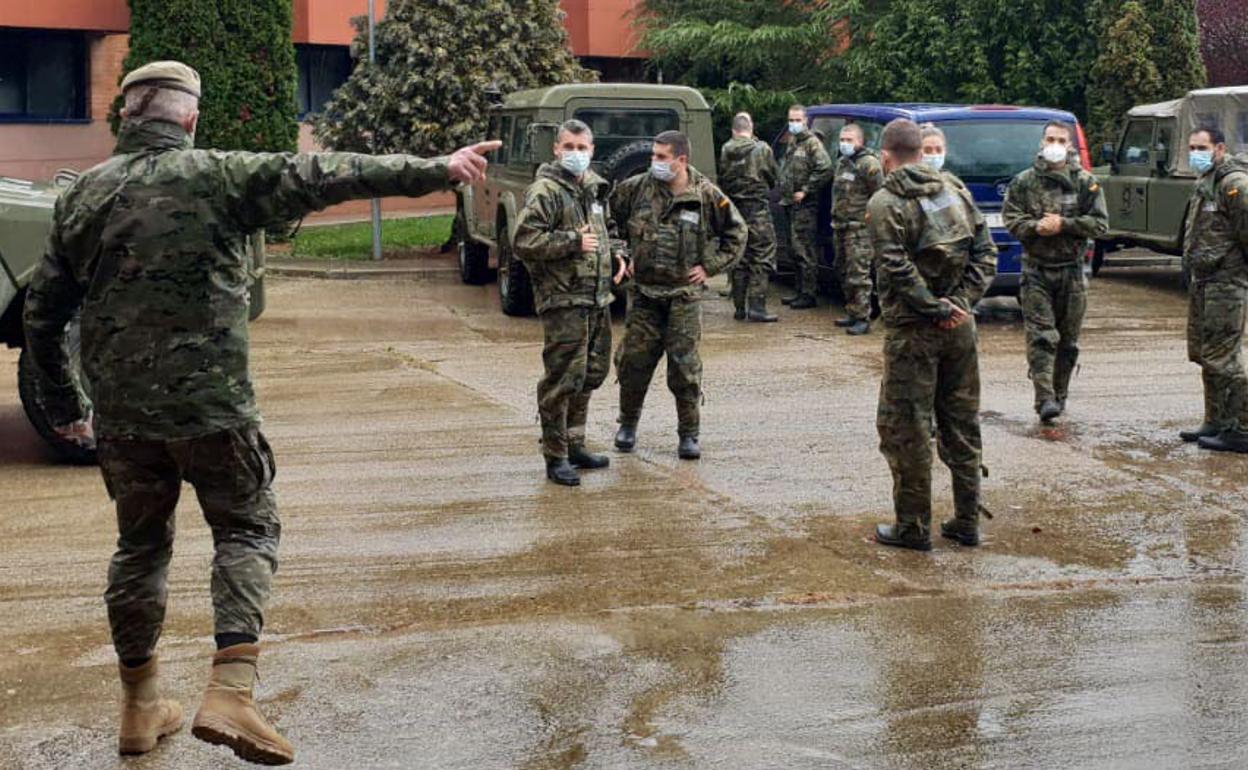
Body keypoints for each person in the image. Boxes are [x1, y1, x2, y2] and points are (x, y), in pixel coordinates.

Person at [22, 61, 500, 765]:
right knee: (246, 527)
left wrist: (66, 408)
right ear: (188, 119)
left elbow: (42, 312)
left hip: (123, 418)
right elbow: (330, 173)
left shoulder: (84, 195)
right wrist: (436, 167)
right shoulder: (220, 175)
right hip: (215, 409)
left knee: (140, 548)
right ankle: (232, 690)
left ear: (125, 118)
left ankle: (138, 705)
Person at [867, 118, 996, 551]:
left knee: (907, 428)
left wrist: (936, 307)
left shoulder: (885, 202)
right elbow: (986, 251)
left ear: (886, 157)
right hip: (960, 330)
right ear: (922, 152)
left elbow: (895, 267)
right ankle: (966, 519)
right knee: (961, 423)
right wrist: (961, 303)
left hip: (913, 333)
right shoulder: (954, 191)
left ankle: (913, 526)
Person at [611, 130, 747, 459]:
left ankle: (689, 434)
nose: (654, 162)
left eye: (661, 157)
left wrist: (710, 267)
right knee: (633, 364)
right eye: (653, 156)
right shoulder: (636, 189)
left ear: (681, 160)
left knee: (685, 370)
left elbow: (737, 233)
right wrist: (620, 253)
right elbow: (609, 221)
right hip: (644, 294)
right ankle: (627, 424)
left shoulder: (705, 195)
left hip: (683, 297)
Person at [513, 119, 628, 485]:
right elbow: (523, 241)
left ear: (592, 151)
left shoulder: (594, 190)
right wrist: (571, 242)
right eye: (569, 147)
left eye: (582, 148)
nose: (576, 155)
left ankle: (576, 443)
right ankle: (556, 455)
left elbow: (607, 231)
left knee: (591, 374)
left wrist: (619, 254)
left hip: (596, 297)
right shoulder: (545, 191)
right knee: (562, 379)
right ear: (557, 150)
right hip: (563, 298)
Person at [1002, 120, 1108, 423]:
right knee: (1041, 336)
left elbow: (1101, 224)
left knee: (1068, 341)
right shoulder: (1024, 182)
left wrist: (1064, 224)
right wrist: (1036, 227)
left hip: (1072, 273)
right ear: (1041, 142)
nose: (1054, 144)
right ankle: (1044, 397)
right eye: (1050, 139)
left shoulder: (1086, 183)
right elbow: (1011, 219)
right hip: (1036, 270)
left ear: (1070, 145)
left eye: (1061, 140)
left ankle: (1060, 394)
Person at [1179, 126, 1248, 453]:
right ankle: (1215, 420)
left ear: (1219, 148)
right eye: (1192, 147)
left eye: (1202, 147)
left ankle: (1242, 428)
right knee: (1205, 353)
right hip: (1204, 282)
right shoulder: (1206, 182)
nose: (1196, 153)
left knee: (1225, 358)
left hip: (1227, 283)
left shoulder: (1234, 185)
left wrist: (1237, 272)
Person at [718, 112, 780, 323]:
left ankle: (738, 307)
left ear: (734, 130)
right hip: (758, 211)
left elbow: (723, 179)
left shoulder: (726, 149)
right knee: (762, 257)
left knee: (740, 258)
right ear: (750, 128)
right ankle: (757, 306)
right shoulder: (762, 149)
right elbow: (773, 178)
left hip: (735, 211)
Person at [831, 123, 885, 335]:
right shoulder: (843, 163)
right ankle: (852, 311)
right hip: (841, 225)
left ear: (860, 142)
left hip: (859, 229)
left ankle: (863, 317)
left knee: (858, 274)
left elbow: (879, 194)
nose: (844, 144)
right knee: (843, 270)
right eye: (842, 140)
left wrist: (870, 220)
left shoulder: (868, 164)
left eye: (849, 140)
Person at [777, 105, 833, 309]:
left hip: (805, 206)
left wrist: (807, 190)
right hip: (789, 203)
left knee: (804, 249)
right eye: (791, 120)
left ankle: (809, 293)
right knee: (793, 249)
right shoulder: (794, 142)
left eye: (797, 120)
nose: (793, 124)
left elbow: (825, 168)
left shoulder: (812, 144)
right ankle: (799, 290)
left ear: (805, 120)